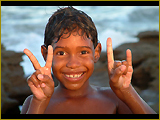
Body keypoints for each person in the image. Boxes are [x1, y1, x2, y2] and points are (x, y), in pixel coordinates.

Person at [21, 6, 156, 114]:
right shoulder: (35, 102)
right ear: (45, 54)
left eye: (83, 52)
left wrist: (126, 91)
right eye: (61, 53)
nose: (73, 64)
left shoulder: (114, 99)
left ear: (96, 52)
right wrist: (40, 102)